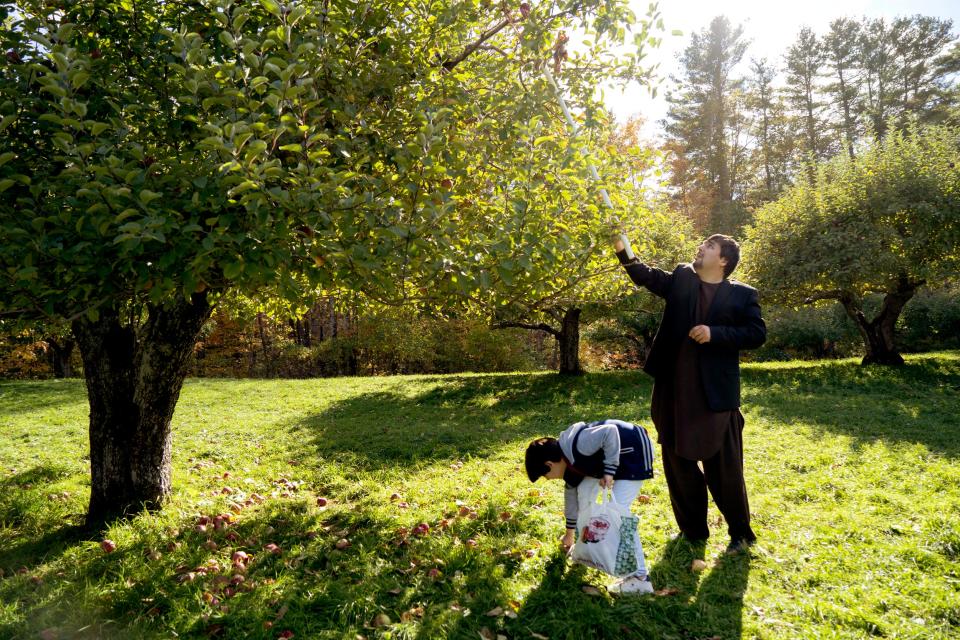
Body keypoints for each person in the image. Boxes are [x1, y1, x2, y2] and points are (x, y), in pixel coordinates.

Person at [614, 233, 766, 553]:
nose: (701, 247)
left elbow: (756, 334)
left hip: (716, 396)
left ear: (723, 260)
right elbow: (646, 275)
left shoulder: (742, 296)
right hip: (674, 392)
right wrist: (622, 249)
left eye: (709, 246)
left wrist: (715, 333)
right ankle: (693, 531)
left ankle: (741, 533)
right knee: (678, 465)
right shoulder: (682, 278)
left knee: (725, 470)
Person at [525, 419, 655, 594]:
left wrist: (609, 471)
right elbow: (572, 500)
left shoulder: (578, 445)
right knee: (583, 494)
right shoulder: (568, 465)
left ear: (549, 464)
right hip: (609, 459)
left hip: (634, 452)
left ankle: (641, 579)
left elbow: (609, 432)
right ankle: (584, 548)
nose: (548, 479)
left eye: (545, 476)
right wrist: (569, 535)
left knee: (618, 514)